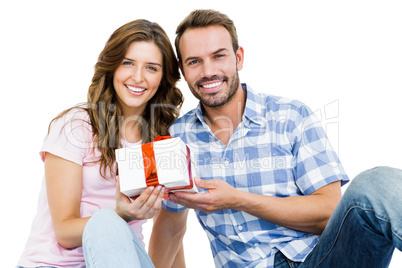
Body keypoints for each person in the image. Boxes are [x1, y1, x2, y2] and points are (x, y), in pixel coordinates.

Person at [149, 9, 402, 267]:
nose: (208, 71)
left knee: (376, 182)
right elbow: (169, 227)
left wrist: (238, 200)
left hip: (319, 261)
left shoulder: (291, 117)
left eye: (219, 56)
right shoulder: (177, 139)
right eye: (195, 62)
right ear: (182, 69)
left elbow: (330, 213)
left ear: (238, 58)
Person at [17, 19, 185, 268]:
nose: (137, 77)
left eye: (151, 68)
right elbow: (63, 231)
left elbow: (173, 233)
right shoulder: (77, 126)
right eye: (128, 63)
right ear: (113, 66)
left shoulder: (165, 139)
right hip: (53, 264)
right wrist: (121, 216)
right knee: (106, 220)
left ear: (163, 77)